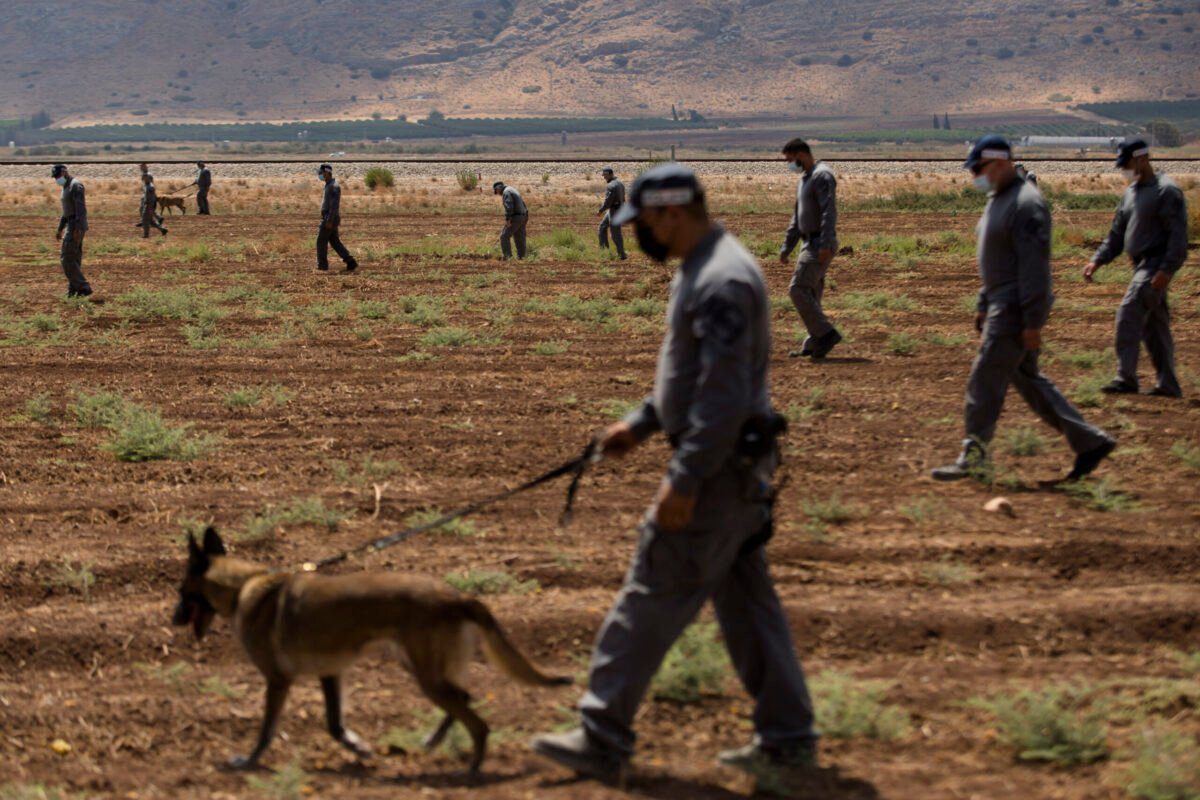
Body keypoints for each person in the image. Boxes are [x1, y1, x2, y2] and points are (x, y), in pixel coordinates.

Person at [531, 164, 818, 796]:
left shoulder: (722, 281)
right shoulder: (705, 266)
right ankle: (789, 738)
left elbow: (721, 397)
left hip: (716, 473)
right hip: (734, 469)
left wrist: (684, 481)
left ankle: (602, 736)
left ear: (672, 214)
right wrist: (640, 423)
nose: (639, 236)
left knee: (651, 589)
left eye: (643, 225)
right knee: (747, 604)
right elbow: (691, 381)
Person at [932, 136, 1115, 482]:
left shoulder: (1026, 204)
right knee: (1029, 380)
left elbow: (1034, 268)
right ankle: (1089, 442)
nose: (974, 175)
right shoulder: (999, 198)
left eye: (978, 168)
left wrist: (1031, 321)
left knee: (984, 381)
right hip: (1002, 302)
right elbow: (997, 259)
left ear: (999, 163)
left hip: (1015, 307)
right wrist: (984, 304)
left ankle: (974, 457)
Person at [1083, 139, 1189, 398]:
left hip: (1153, 267)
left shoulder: (1167, 192)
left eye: (1127, 163)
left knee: (1128, 314)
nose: (1125, 169)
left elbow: (1178, 237)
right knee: (1155, 328)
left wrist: (1167, 270)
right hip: (1140, 265)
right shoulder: (1131, 193)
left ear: (1142, 159)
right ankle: (1169, 384)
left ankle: (1125, 377)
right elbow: (1116, 235)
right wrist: (1097, 259)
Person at [779, 139, 841, 359]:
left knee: (798, 290)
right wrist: (787, 246)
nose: (789, 164)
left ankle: (826, 334)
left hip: (818, 244)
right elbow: (797, 217)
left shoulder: (821, 176)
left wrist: (824, 243)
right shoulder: (805, 178)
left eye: (790, 159)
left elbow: (828, 212)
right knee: (812, 293)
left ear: (801, 155)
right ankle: (814, 343)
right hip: (809, 242)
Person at [52, 164, 93, 298]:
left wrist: (77, 229)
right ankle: (74, 290)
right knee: (74, 258)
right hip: (71, 223)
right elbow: (66, 212)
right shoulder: (66, 187)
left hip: (75, 225)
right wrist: (60, 228)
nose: (57, 179)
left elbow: (80, 210)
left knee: (66, 259)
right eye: (55, 177)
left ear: (64, 172)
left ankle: (83, 286)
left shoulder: (75, 186)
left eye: (58, 176)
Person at [316, 164, 357, 273]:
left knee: (321, 242)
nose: (320, 175)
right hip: (330, 218)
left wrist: (329, 221)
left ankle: (322, 266)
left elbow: (334, 206)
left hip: (329, 218)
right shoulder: (329, 185)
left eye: (321, 173)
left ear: (327, 172)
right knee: (335, 242)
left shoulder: (334, 186)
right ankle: (350, 262)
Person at [597, 166, 627, 260]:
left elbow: (608, 202)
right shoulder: (620, 183)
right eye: (603, 175)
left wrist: (600, 210)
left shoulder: (611, 185)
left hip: (614, 210)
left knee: (615, 233)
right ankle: (605, 251)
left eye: (605, 175)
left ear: (611, 174)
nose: (604, 177)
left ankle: (622, 255)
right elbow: (623, 198)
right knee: (602, 227)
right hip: (617, 208)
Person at [493, 181, 528, 259]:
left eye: (496, 191)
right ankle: (522, 258)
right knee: (519, 237)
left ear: (498, 188)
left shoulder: (506, 192)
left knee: (504, 236)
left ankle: (508, 257)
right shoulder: (512, 189)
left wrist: (508, 219)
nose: (497, 193)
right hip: (523, 216)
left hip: (516, 217)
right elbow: (524, 205)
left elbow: (509, 206)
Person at [139, 172, 168, 238]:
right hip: (148, 205)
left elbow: (152, 197)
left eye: (144, 177)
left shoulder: (150, 187)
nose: (143, 179)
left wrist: (149, 204)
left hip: (148, 205)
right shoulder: (147, 185)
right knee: (151, 221)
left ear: (148, 178)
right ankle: (163, 229)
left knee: (144, 220)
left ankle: (146, 235)